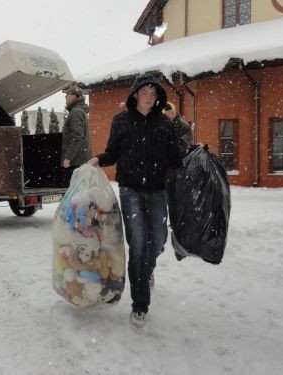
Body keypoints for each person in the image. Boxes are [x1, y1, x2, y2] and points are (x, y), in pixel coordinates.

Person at [88, 74, 182, 327]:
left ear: (158, 98)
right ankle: (140, 304)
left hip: (157, 191)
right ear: (135, 95)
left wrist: (195, 156)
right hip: (130, 190)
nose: (149, 98)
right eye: (144, 93)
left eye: (153, 94)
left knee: (159, 239)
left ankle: (145, 269)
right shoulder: (121, 122)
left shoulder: (164, 124)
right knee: (138, 243)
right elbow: (112, 153)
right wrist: (99, 159)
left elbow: (176, 158)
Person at [61, 85, 92, 172]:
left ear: (74, 96)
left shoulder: (76, 112)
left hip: (76, 162)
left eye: (68, 94)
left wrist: (68, 158)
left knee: (76, 185)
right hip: (80, 161)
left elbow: (77, 138)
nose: (65, 96)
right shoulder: (79, 111)